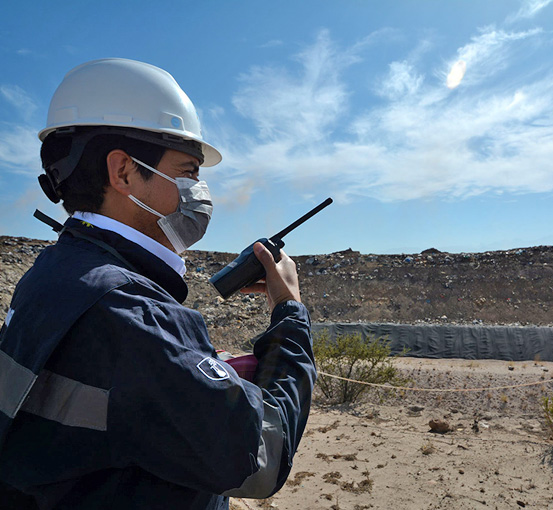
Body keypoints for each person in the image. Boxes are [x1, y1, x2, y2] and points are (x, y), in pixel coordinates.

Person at [0, 58, 316, 509]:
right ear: (123, 171)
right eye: (188, 172)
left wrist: (202, 370)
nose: (200, 192)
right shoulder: (129, 311)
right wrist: (290, 314)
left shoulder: (55, 271)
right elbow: (263, 454)